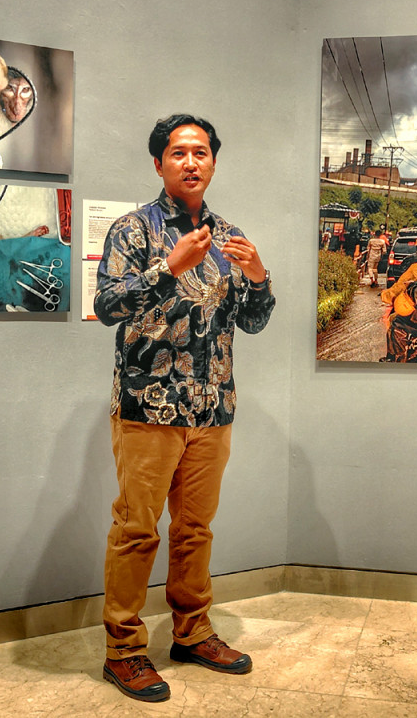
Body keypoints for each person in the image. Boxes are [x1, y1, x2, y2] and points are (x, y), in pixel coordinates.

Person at [93, 114, 274, 703]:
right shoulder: (133, 230)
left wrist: (258, 276)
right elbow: (107, 305)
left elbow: (252, 322)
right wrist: (169, 267)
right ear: (159, 163)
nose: (190, 162)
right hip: (147, 407)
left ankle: (193, 633)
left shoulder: (228, 234)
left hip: (212, 406)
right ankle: (124, 651)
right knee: (136, 529)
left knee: (195, 530)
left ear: (213, 162)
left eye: (201, 152)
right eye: (178, 153)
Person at [380, 234, 417, 361]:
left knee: (395, 322)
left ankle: (395, 358)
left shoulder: (416, 267)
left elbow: (399, 287)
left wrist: (386, 296)